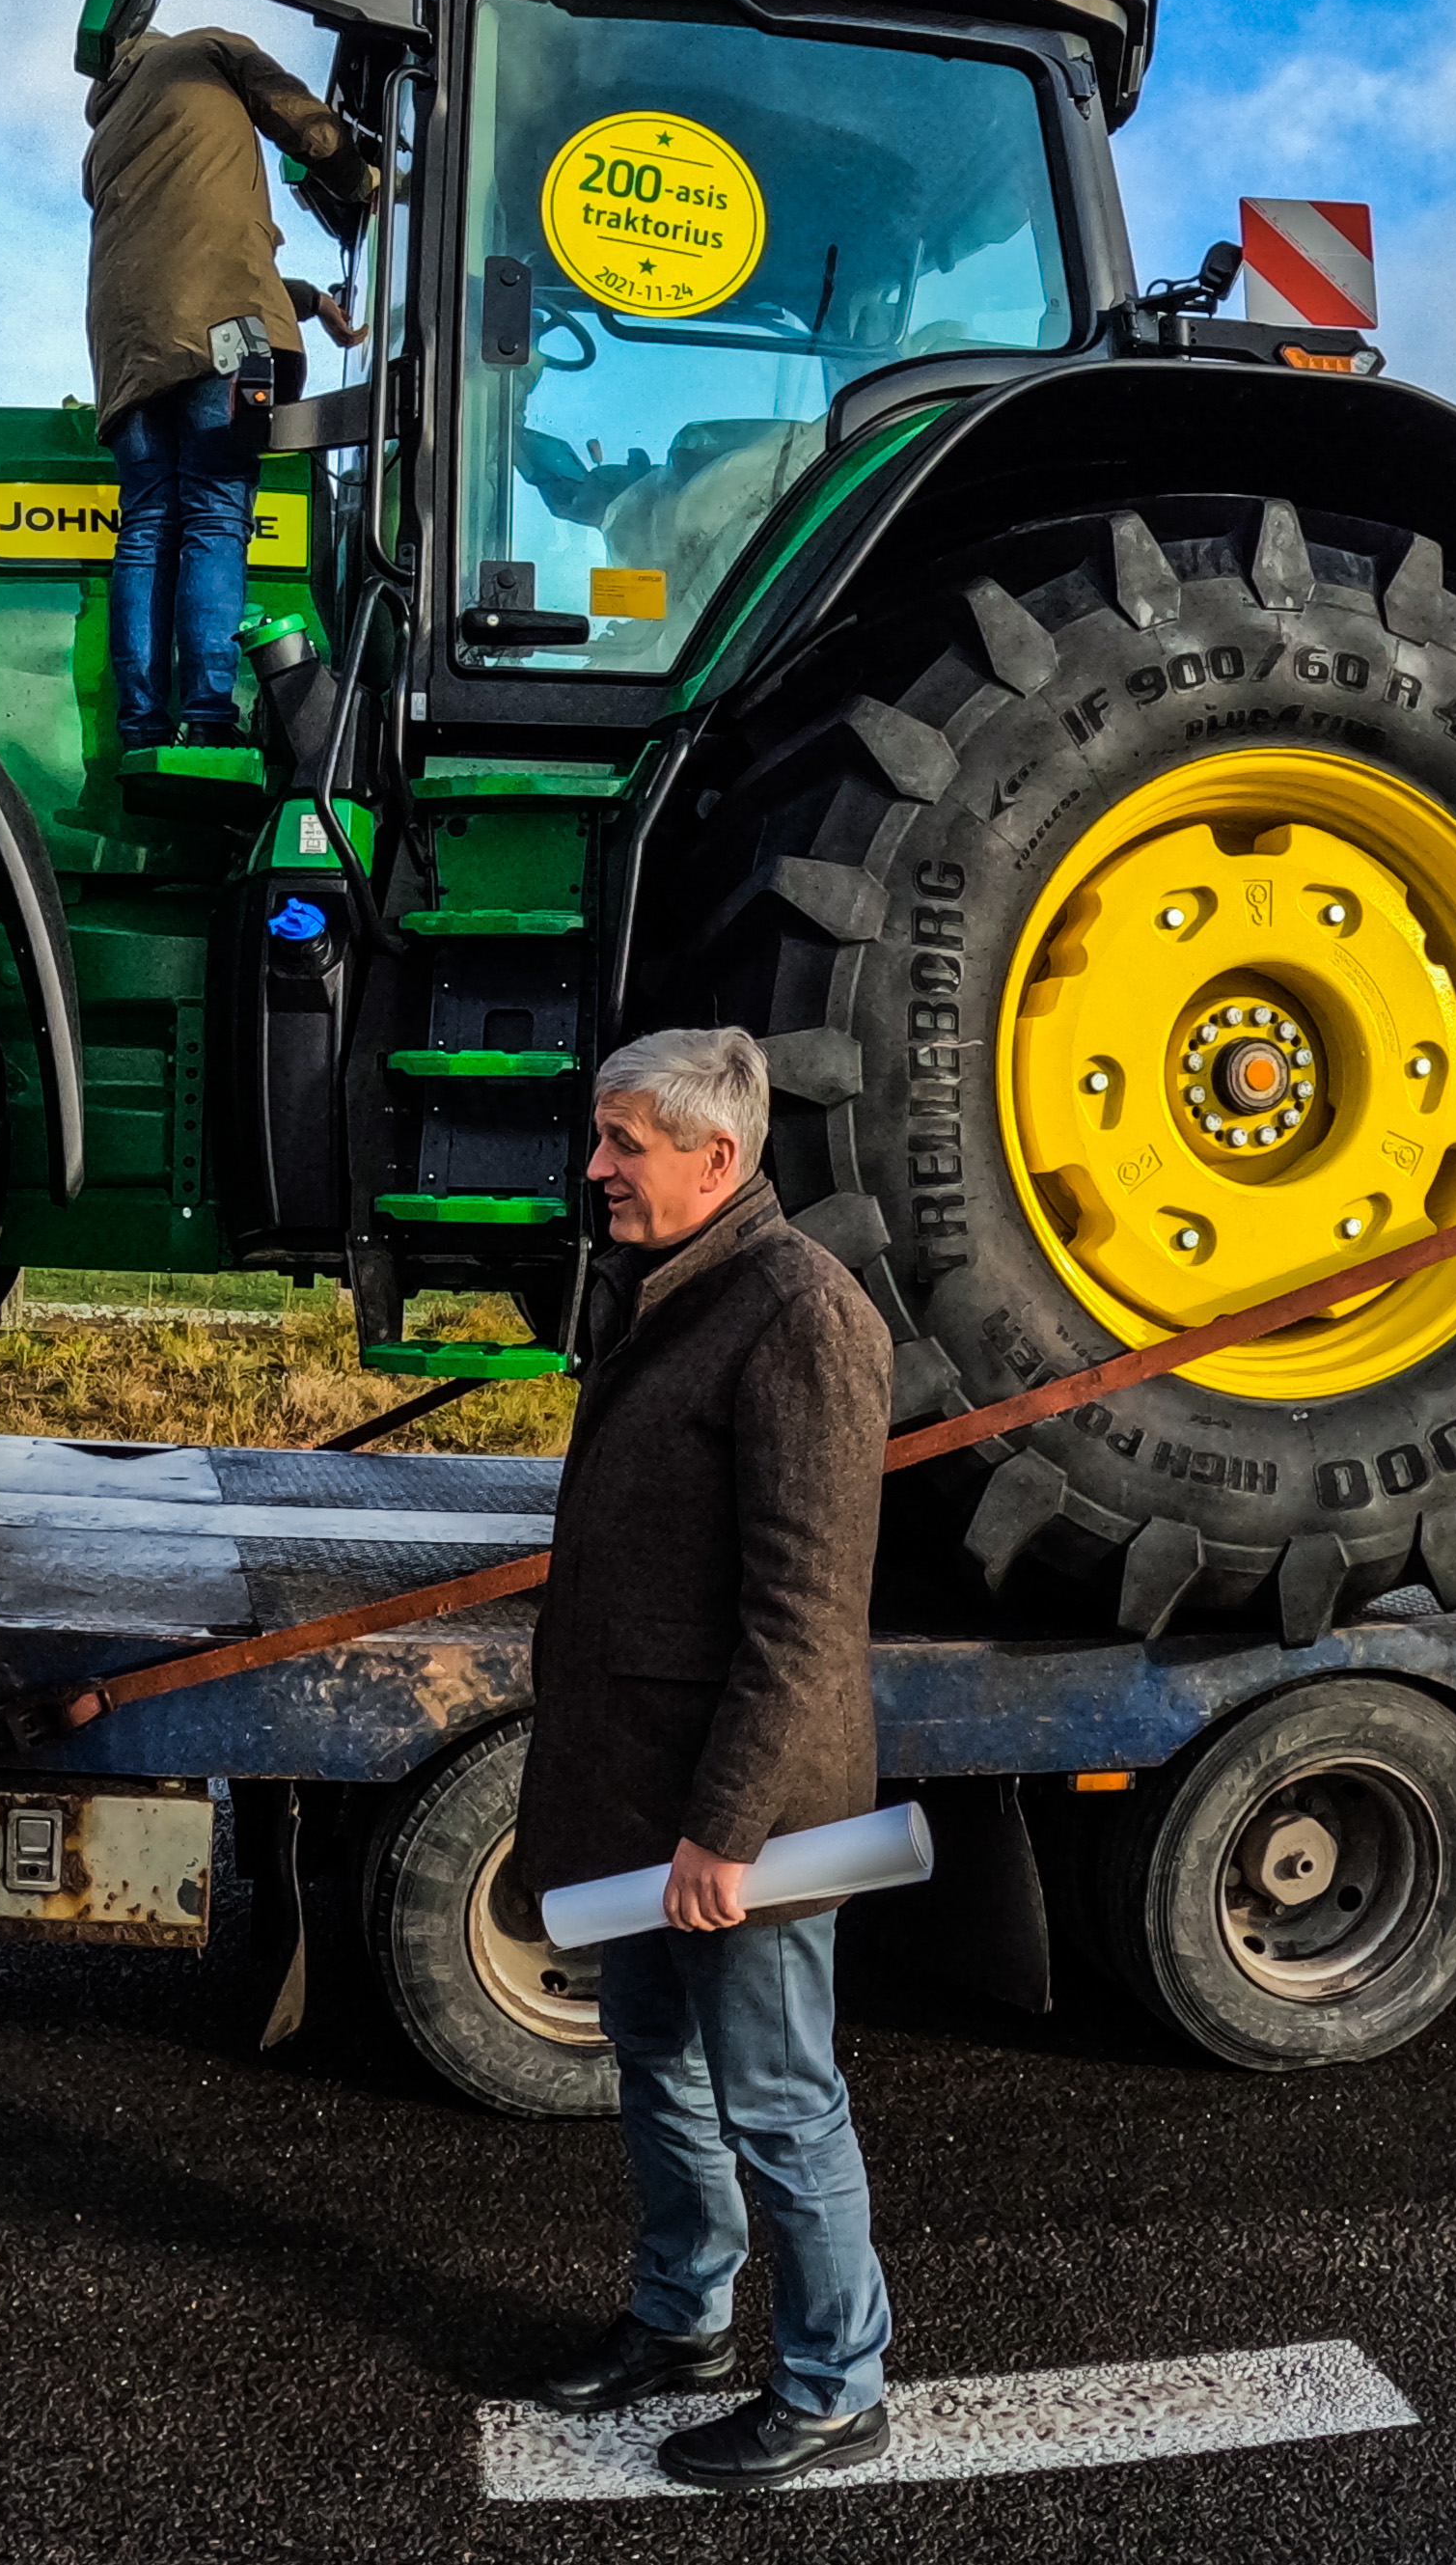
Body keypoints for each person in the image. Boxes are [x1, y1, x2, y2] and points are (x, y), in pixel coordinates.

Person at [508, 1026, 898, 2492]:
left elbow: (805, 1613)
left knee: (782, 2101)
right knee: (658, 2064)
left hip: (740, 1817)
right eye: (601, 1137)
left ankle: (834, 2387)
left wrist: (724, 1835)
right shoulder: (682, 1290)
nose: (595, 1166)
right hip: (641, 1794)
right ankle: (683, 2320)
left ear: (715, 1159)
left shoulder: (798, 1313)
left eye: (621, 1142)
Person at [79, 22, 373, 749]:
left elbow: (185, 247)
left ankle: (143, 723)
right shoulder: (204, 52)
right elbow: (304, 124)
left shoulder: (105, 139)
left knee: (146, 525)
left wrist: (306, 299)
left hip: (128, 354)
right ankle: (208, 715)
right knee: (214, 510)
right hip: (226, 331)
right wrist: (363, 184)